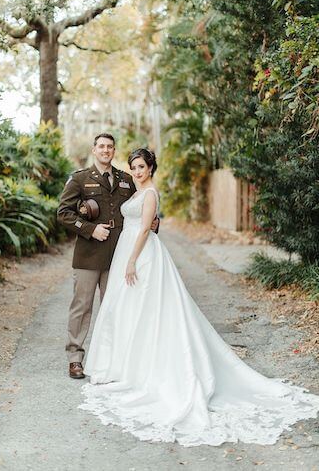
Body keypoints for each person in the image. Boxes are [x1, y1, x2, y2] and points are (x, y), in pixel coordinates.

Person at [79, 148, 319, 447]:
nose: (137, 171)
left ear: (151, 168)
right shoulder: (136, 191)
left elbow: (144, 231)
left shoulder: (150, 193)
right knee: (127, 309)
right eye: (133, 167)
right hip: (126, 251)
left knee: (148, 310)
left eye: (141, 166)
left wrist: (131, 261)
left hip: (141, 255)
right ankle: (124, 365)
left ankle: (148, 372)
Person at [57, 133, 136, 379]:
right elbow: (64, 213)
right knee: (82, 306)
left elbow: (138, 206)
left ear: (114, 151)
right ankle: (75, 358)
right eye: (101, 146)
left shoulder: (126, 180)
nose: (105, 150)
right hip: (88, 254)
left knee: (114, 307)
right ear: (94, 150)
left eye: (110, 147)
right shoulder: (80, 179)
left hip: (117, 254)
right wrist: (91, 229)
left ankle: (111, 358)